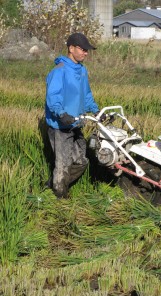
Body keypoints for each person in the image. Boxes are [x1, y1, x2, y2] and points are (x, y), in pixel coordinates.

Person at [45, 32, 102, 199]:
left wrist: (96, 110)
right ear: (71, 48)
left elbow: (86, 95)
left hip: (76, 124)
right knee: (63, 166)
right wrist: (61, 114)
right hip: (60, 126)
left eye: (87, 50)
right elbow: (53, 97)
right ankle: (60, 198)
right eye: (83, 49)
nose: (86, 53)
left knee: (82, 162)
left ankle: (53, 184)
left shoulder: (82, 70)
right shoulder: (59, 71)